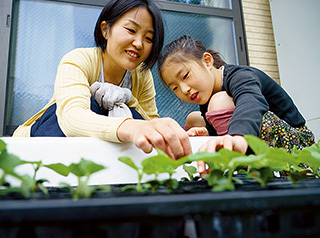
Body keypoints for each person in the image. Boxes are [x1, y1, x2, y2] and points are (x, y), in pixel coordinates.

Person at [12, 0, 192, 160]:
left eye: (148, 38)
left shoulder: (142, 75)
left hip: (90, 150)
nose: (139, 43)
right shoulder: (78, 59)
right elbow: (72, 118)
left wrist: (175, 135)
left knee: (134, 117)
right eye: (131, 30)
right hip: (42, 139)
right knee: (92, 104)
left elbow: (149, 122)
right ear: (105, 30)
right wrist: (131, 126)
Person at [158, 35, 315, 173]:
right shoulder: (207, 97)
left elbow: (251, 102)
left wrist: (238, 137)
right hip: (261, 142)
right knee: (194, 119)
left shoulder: (241, 76)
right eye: (175, 88)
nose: (184, 89)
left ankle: (243, 168)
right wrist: (208, 135)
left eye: (185, 76)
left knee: (220, 102)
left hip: (296, 145)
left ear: (207, 61)